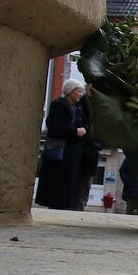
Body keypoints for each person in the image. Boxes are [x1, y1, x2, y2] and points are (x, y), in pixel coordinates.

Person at [34, 79, 89, 210]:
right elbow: (55, 126)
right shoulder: (58, 105)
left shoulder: (77, 107)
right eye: (78, 91)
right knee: (57, 182)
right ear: (70, 91)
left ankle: (67, 204)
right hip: (60, 150)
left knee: (69, 182)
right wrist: (75, 131)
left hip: (72, 150)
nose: (80, 95)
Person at [76, 83, 101, 210]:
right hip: (79, 147)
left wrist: (98, 144)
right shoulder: (80, 103)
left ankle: (80, 206)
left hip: (91, 149)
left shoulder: (99, 105)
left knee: (86, 183)